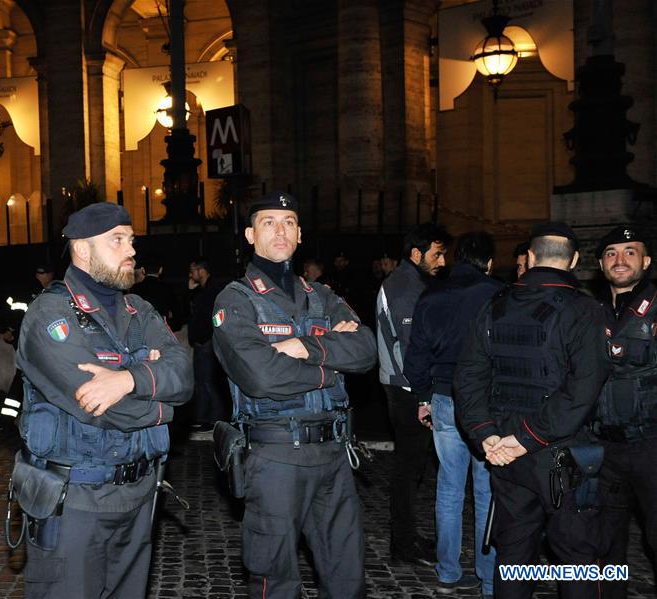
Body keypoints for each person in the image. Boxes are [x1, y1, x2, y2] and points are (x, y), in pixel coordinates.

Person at [15, 202, 193, 598]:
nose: (131, 250)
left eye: (130, 240)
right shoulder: (49, 315)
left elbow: (184, 375)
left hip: (139, 494)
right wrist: (164, 405)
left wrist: (128, 379)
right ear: (82, 250)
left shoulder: (139, 309)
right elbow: (101, 409)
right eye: (117, 241)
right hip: (76, 499)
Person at [212, 191, 377, 598]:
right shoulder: (235, 300)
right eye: (269, 222)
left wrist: (306, 348)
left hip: (335, 455)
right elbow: (260, 377)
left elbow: (368, 351)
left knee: (347, 577)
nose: (280, 230)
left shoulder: (322, 296)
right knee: (276, 579)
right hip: (276, 458)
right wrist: (331, 369)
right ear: (250, 235)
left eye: (288, 222)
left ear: (300, 234)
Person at [454, 221, 609, 599]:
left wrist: (487, 435)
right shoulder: (585, 310)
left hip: (507, 451)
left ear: (531, 257)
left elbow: (468, 376)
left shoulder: (495, 304)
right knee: (576, 558)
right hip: (559, 451)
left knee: (515, 552)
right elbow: (581, 392)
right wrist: (524, 438)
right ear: (573, 260)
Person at [403, 232, 504, 597]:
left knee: (448, 487)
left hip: (444, 397)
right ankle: (488, 576)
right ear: (489, 262)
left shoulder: (433, 294)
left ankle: (448, 571)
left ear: (457, 260)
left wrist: (421, 396)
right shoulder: (499, 294)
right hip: (487, 403)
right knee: (485, 489)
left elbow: (416, 352)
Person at [376, 221, 451, 565]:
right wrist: (424, 397)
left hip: (408, 386)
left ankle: (405, 539)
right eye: (437, 254)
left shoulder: (414, 282)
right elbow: (412, 348)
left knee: (413, 467)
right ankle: (403, 542)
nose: (443, 261)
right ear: (416, 253)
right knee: (409, 469)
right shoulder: (407, 288)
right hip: (407, 389)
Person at [592, 225, 657, 599]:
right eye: (612, 253)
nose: (620, 260)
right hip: (605, 450)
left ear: (646, 261)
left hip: (650, 446)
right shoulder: (591, 311)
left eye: (630, 252)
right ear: (601, 264)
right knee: (605, 544)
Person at [0, 263, 56, 433]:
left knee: (23, 379)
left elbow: (9, 310)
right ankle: (7, 421)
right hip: (33, 344)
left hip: (25, 343)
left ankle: (7, 421)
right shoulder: (37, 293)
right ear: (45, 274)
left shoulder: (24, 289)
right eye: (50, 275)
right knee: (24, 380)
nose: (51, 279)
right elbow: (23, 317)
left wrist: (9, 330)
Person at [187, 257, 227, 429]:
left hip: (207, 342)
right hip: (202, 341)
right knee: (202, 381)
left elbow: (212, 317)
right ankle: (203, 418)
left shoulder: (212, 291)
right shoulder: (203, 290)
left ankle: (215, 418)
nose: (190, 274)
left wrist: (206, 338)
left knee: (208, 381)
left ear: (202, 270)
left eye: (193, 270)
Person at [130, 257, 178, 327]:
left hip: (142, 328)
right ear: (160, 270)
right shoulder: (167, 288)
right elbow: (176, 311)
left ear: (143, 270)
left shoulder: (135, 288)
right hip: (162, 328)